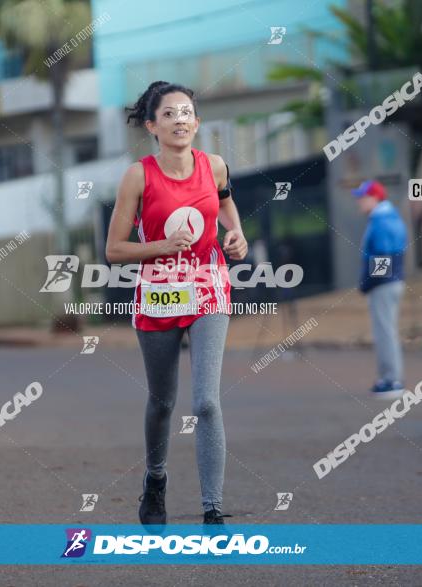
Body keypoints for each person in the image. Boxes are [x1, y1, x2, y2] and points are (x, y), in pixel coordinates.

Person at [105, 81, 248, 526]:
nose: (180, 120)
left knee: (206, 402)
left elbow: (225, 205)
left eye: (187, 112)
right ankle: (156, 479)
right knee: (163, 402)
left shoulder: (216, 167)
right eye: (169, 114)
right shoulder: (138, 176)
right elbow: (114, 249)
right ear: (152, 125)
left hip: (209, 284)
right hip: (160, 291)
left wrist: (237, 233)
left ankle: (213, 510)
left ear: (197, 122)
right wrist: (163, 246)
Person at [354, 180, 408, 398]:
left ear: (374, 198)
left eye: (362, 197)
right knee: (386, 331)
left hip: (384, 285)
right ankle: (390, 377)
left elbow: (383, 257)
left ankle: (392, 380)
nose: (359, 202)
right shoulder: (388, 217)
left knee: (385, 332)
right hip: (390, 282)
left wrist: (367, 283)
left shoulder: (381, 221)